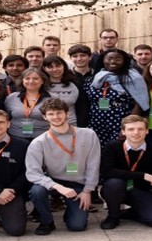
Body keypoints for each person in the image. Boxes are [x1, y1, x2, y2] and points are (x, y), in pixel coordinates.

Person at [25, 99, 101, 234]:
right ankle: (47, 222)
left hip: (77, 183)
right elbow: (32, 173)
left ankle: (71, 212)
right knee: (37, 191)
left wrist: (87, 191)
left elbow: (93, 164)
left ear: (67, 113)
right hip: (54, 182)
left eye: (59, 112)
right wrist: (57, 186)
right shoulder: (39, 142)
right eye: (51, 114)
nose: (56, 117)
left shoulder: (88, 134)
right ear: (45, 117)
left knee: (77, 226)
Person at [99, 115, 152, 229]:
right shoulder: (112, 147)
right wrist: (143, 175)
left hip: (140, 191)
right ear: (123, 131)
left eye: (140, 129)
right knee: (114, 183)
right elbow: (107, 172)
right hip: (116, 189)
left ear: (147, 131)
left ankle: (131, 213)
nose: (136, 133)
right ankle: (113, 216)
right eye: (131, 129)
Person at [84, 49, 145, 145]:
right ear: (103, 60)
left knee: (117, 150)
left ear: (124, 61)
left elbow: (139, 104)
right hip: (96, 123)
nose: (113, 62)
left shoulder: (133, 78)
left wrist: (127, 127)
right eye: (109, 59)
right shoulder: (94, 78)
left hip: (120, 124)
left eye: (118, 59)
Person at [7, 68, 53, 142]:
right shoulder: (12, 97)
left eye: (35, 78)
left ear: (42, 81)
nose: (31, 81)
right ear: (22, 81)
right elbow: (7, 117)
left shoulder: (52, 98)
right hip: (15, 138)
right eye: (27, 78)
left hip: (43, 138)